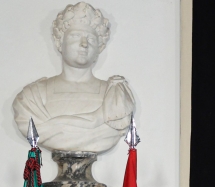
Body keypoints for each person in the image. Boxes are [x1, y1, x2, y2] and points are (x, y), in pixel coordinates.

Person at [13, 2, 136, 153]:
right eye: (75, 36)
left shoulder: (115, 95)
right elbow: (28, 123)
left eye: (90, 38)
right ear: (59, 42)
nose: (84, 44)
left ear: (100, 47)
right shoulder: (32, 97)